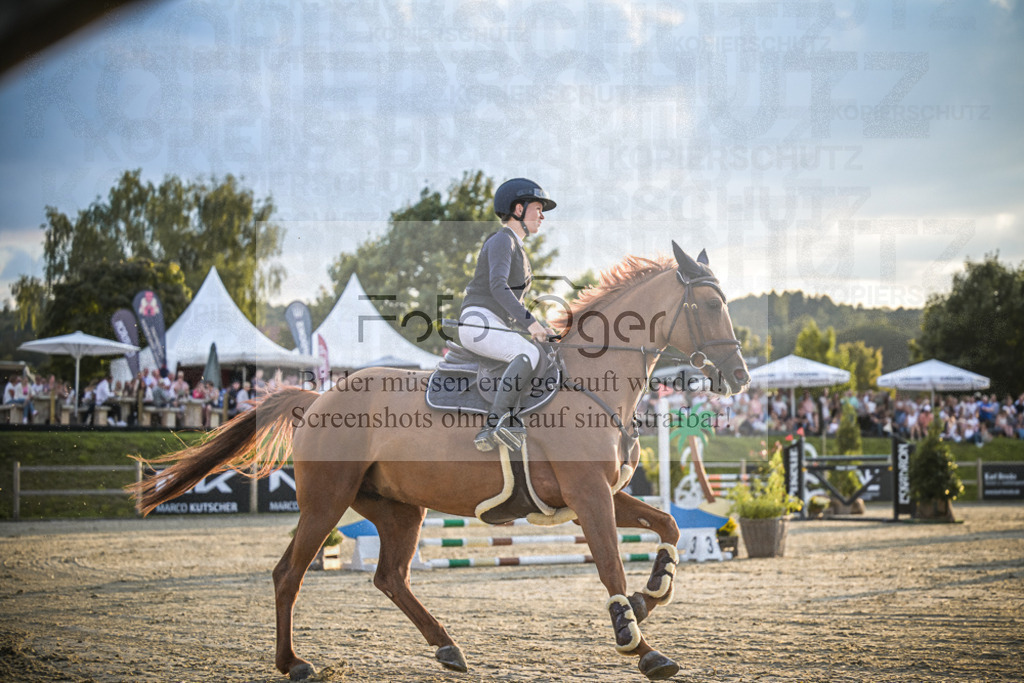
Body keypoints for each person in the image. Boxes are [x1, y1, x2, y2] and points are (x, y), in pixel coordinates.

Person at [459, 177, 556, 451]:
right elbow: (498, 287)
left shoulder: (517, 247)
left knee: (541, 351)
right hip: (478, 321)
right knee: (528, 354)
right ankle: (495, 424)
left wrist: (542, 327)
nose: (542, 216)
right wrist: (531, 324)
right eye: (538, 208)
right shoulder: (503, 240)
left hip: (493, 322)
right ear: (517, 210)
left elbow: (513, 301)